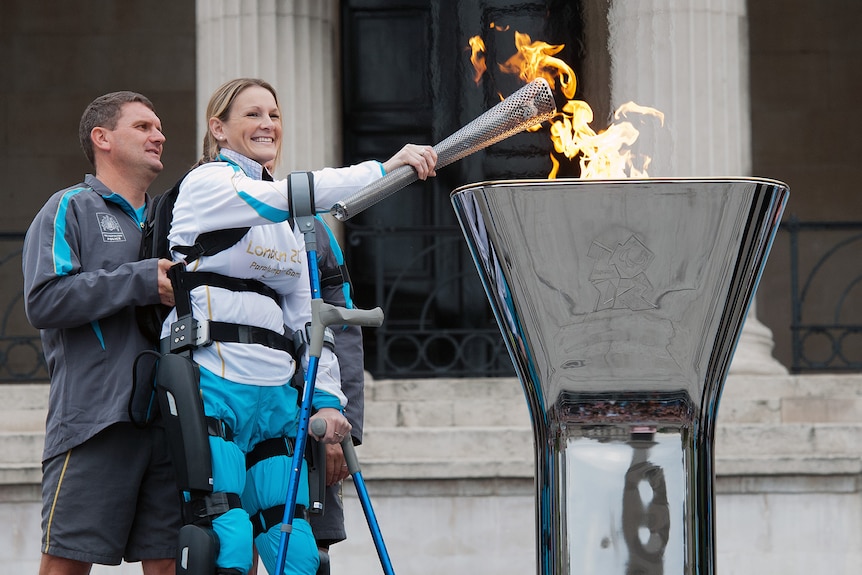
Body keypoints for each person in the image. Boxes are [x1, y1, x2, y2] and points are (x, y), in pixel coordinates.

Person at [161, 77, 436, 575]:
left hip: (275, 399)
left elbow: (312, 324)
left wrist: (329, 401)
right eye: (252, 114)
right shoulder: (209, 185)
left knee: (296, 549)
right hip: (212, 385)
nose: (267, 124)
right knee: (224, 537)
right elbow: (293, 194)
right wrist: (383, 168)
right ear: (218, 128)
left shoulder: (289, 225)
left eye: (274, 114)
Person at [22, 91, 178, 575]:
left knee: (171, 565)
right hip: (94, 423)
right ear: (102, 138)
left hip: (171, 422)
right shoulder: (69, 206)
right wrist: (141, 279)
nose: (159, 135)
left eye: (159, 127)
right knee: (66, 566)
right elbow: (43, 300)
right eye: (143, 126)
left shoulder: (171, 220)